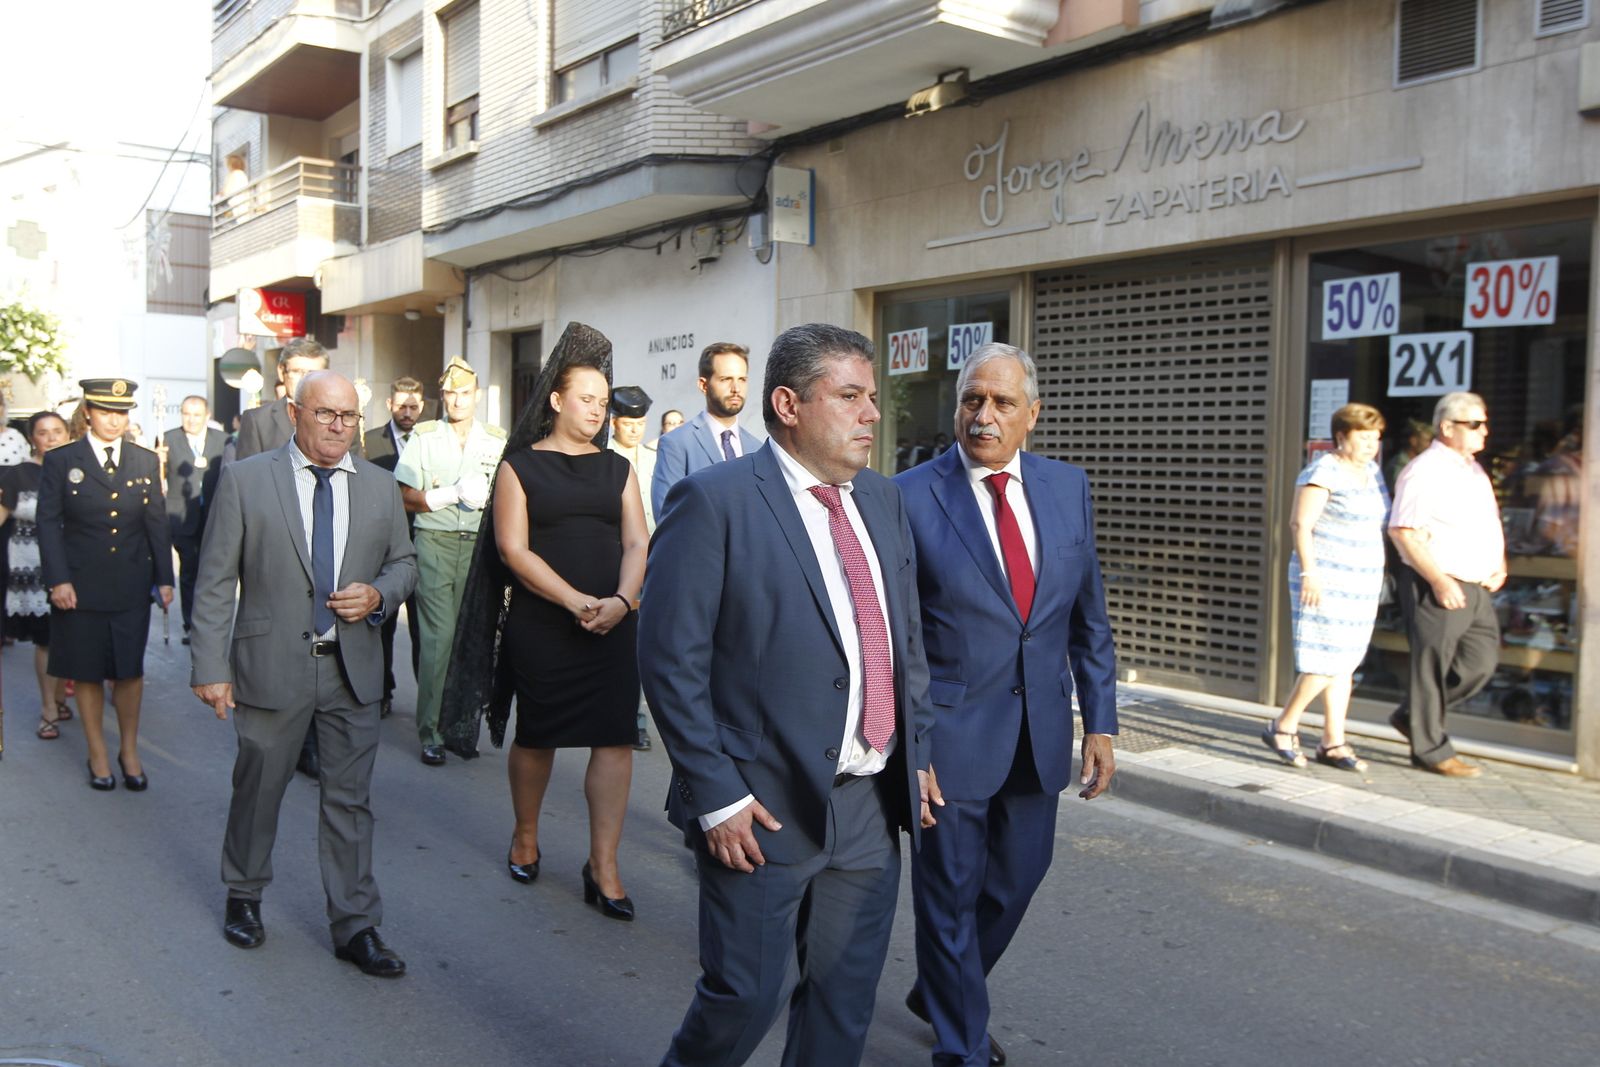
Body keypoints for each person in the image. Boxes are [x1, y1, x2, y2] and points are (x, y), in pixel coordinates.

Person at [640, 323, 937, 1067]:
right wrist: (717, 794)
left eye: (873, 397)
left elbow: (905, 641)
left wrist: (918, 753)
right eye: (850, 396)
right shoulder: (714, 501)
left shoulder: (882, 499)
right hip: (759, 806)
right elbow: (670, 658)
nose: (872, 413)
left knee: (842, 1001)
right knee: (744, 994)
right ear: (788, 403)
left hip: (868, 804)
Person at [894, 343, 1116, 1067]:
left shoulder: (1067, 487)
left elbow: (1089, 618)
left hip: (1039, 731)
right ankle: (960, 1043)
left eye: (1001, 403)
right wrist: (915, 746)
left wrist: (1101, 719)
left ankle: (941, 986)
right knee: (949, 897)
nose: (983, 416)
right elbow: (902, 637)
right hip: (950, 738)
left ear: (1032, 416)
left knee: (1017, 879)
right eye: (971, 400)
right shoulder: (909, 495)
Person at [189, 370, 417, 975]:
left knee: (350, 802)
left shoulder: (378, 486)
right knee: (259, 788)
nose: (339, 427)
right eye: (325, 415)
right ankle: (244, 894)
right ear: (295, 414)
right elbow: (214, 580)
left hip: (353, 668)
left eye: (349, 417)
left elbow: (405, 563)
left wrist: (378, 594)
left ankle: (356, 925)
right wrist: (210, 666)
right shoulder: (245, 480)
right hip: (270, 666)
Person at [487, 335, 647, 917]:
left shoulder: (618, 468)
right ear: (556, 400)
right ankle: (525, 834)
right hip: (546, 622)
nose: (599, 409)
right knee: (538, 733)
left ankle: (603, 864)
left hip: (613, 622)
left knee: (614, 738)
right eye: (587, 398)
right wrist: (578, 600)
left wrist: (623, 601)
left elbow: (637, 540)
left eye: (604, 401)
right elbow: (513, 550)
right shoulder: (519, 466)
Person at [37, 378, 174, 791]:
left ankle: (128, 750)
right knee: (90, 672)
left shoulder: (144, 459)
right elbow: (48, 523)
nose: (114, 420)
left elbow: (156, 522)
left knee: (129, 671)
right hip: (78, 587)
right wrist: (58, 579)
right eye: (105, 412)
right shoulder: (63, 460)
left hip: (131, 583)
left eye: (121, 413)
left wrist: (165, 579)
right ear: (88, 413)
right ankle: (98, 752)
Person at [1264, 404, 1390, 773]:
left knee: (1345, 662)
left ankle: (1333, 740)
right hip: (1324, 579)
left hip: (1361, 581)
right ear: (1341, 436)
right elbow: (1299, 524)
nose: (1372, 444)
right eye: (1364, 437)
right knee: (1323, 660)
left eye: (1376, 437)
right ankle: (1283, 726)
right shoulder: (1323, 469)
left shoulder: (1372, 471)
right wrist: (1310, 573)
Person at [394, 356, 507, 765]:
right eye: (450, 393)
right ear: (441, 397)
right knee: (439, 641)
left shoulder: (497, 439)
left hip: (480, 547)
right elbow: (403, 494)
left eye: (464, 393)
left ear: (476, 396)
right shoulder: (424, 437)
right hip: (436, 541)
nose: (457, 400)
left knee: (475, 640)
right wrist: (443, 495)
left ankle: (462, 724)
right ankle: (432, 730)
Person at [1387, 392, 1505, 778]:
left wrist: (1498, 562)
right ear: (1447, 427)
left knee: (1480, 663)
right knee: (1430, 666)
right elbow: (1403, 531)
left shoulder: (1472, 469)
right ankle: (1431, 751)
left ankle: (1414, 716)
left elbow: (1485, 522)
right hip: (1439, 581)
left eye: (1484, 423)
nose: (1483, 431)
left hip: (1476, 584)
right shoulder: (1427, 470)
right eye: (1475, 424)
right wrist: (1438, 579)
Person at [236, 337, 331, 776]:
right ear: (283, 376)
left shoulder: (337, 418)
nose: (307, 380)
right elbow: (244, 490)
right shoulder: (259, 421)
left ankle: (310, 740)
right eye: (298, 372)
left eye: (315, 371)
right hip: (275, 553)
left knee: (317, 649)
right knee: (277, 648)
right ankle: (273, 730)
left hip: (324, 554)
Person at [0, 411, 73, 746]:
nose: (52, 437)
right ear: (33, 439)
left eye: (58, 431)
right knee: (46, 638)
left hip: (75, 565)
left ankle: (59, 697)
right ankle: (48, 709)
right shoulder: (19, 475)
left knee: (68, 635)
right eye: (44, 432)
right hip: (33, 567)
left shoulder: (78, 470)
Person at [363, 377, 425, 718]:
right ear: (390, 404)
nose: (407, 412)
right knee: (382, 624)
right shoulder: (370, 441)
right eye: (401, 405)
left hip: (423, 543)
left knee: (422, 628)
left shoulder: (430, 440)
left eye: (413, 406)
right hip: (383, 547)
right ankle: (383, 689)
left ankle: (427, 699)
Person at [649, 342, 758, 519]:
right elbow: (666, 515)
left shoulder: (756, 448)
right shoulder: (676, 443)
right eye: (726, 379)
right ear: (703, 384)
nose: (736, 389)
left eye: (742, 379)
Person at [161, 395, 226, 644]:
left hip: (213, 514)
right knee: (189, 571)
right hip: (182, 516)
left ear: (207, 416)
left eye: (197, 414)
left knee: (210, 572)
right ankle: (190, 624)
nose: (191, 419)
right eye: (186, 414)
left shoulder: (221, 440)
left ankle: (209, 623)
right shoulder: (168, 439)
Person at [235, 338, 328, 461]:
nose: (304, 379)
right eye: (297, 372)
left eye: (312, 373)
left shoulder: (343, 419)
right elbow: (246, 475)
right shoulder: (258, 420)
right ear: (281, 372)